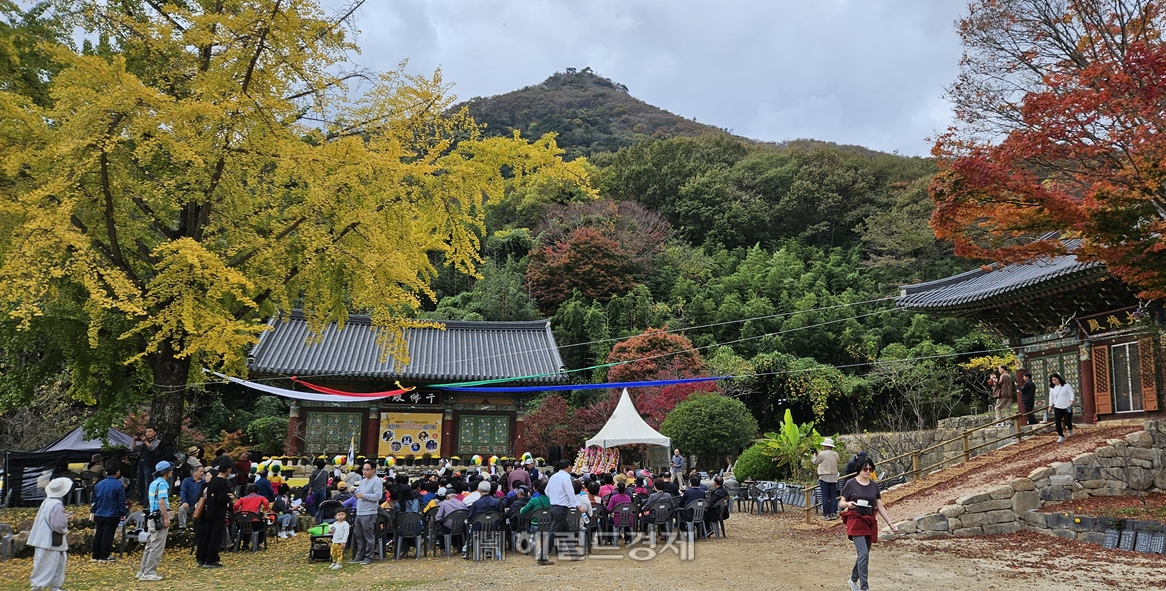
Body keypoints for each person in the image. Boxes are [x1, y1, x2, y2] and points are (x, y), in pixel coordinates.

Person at [839, 457, 898, 591]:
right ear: (859, 469)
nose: (868, 471)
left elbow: (880, 506)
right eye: (865, 469)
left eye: (871, 469)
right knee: (863, 554)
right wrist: (848, 504)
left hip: (869, 520)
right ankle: (864, 587)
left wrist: (890, 523)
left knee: (863, 555)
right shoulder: (850, 484)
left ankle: (853, 580)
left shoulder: (874, 485)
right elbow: (841, 502)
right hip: (855, 520)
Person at [29, 477, 72, 591]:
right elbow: (58, 525)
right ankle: (41, 587)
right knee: (50, 564)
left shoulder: (47, 502)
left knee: (47, 563)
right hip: (51, 541)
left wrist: (63, 518)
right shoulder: (57, 504)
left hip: (42, 538)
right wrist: (65, 522)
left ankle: (52, 587)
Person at [539, 459, 582, 566]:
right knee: (553, 533)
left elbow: (546, 491)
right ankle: (542, 557)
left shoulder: (553, 476)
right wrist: (578, 505)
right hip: (561, 508)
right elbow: (570, 493)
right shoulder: (566, 478)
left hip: (554, 506)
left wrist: (554, 498)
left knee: (566, 530)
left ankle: (573, 553)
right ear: (568, 466)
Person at [137, 461, 173, 582]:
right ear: (166, 472)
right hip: (160, 516)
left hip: (152, 517)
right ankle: (149, 572)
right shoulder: (163, 484)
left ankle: (142, 570)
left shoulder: (153, 483)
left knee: (150, 544)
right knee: (157, 545)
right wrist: (166, 517)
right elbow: (162, 501)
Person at [196, 460, 233, 568]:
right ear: (228, 470)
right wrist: (229, 498)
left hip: (209, 511)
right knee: (215, 537)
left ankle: (202, 558)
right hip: (218, 513)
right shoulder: (223, 482)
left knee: (207, 536)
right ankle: (211, 559)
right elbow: (221, 499)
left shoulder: (212, 481)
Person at [91, 462, 128, 563]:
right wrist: (123, 512)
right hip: (112, 512)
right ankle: (104, 555)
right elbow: (120, 500)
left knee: (99, 533)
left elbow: (95, 498)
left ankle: (95, 555)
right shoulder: (118, 485)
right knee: (108, 534)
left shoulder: (99, 484)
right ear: (117, 472)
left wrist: (93, 510)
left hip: (100, 511)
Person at [350, 460, 383, 565]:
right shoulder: (363, 481)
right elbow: (358, 496)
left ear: (373, 470)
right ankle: (360, 555)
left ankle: (369, 557)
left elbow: (378, 496)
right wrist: (353, 493)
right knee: (359, 535)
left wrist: (364, 495)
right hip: (360, 512)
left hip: (369, 512)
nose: (365, 472)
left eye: (367, 470)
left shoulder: (376, 481)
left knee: (368, 536)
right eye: (364, 469)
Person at [814, 437, 841, 520]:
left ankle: (826, 514)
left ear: (825, 446)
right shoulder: (836, 454)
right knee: (833, 496)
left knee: (825, 496)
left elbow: (815, 462)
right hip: (833, 477)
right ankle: (833, 513)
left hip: (824, 476)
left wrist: (814, 455)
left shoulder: (822, 454)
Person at [132, 426, 160, 505]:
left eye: (150, 432)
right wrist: (134, 440)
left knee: (148, 482)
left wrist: (145, 441)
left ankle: (147, 501)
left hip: (149, 463)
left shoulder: (157, 442)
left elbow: (153, 449)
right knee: (140, 482)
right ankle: (141, 500)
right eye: (147, 432)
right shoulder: (144, 443)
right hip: (141, 462)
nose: (148, 433)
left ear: (155, 433)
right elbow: (135, 449)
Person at [1049, 372, 1076, 443]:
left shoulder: (1066, 386)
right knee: (1058, 422)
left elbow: (1071, 393)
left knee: (1068, 421)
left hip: (1066, 406)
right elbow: (1051, 397)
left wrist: (1071, 401)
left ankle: (1070, 429)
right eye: (1053, 380)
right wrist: (1050, 406)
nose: (1054, 381)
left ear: (1059, 379)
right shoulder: (1052, 388)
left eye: (1055, 379)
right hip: (1057, 407)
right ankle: (1060, 435)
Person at [178, 465, 205, 531]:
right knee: (182, 509)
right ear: (194, 472)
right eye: (200, 471)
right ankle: (182, 527)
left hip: (198, 506)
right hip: (188, 504)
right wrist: (184, 502)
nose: (202, 473)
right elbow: (183, 491)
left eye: (203, 472)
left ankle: (195, 528)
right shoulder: (187, 481)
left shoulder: (204, 483)